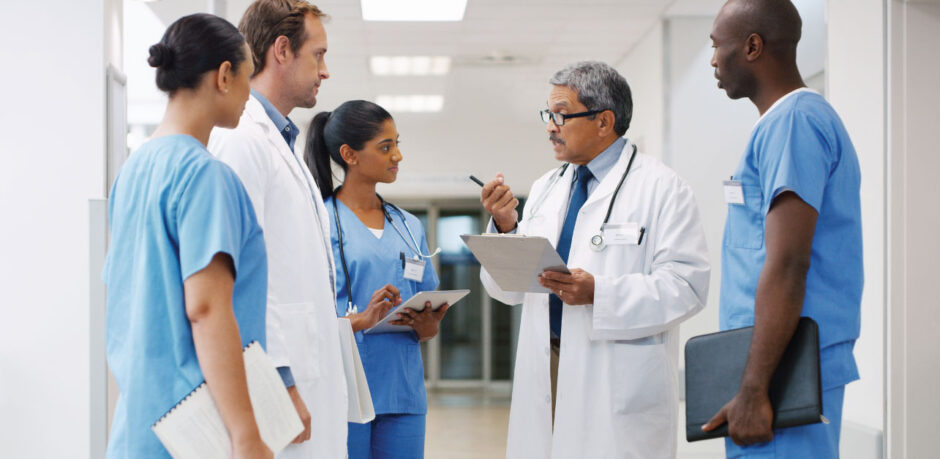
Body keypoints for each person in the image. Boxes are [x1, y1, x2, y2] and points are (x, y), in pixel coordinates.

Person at [478, 61, 711, 459]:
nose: (550, 126)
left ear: (604, 121)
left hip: (614, 373)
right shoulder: (547, 187)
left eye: (561, 115)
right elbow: (510, 291)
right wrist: (505, 229)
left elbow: (687, 286)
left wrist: (599, 293)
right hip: (546, 360)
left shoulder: (662, 188)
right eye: (548, 115)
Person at [104, 14, 272, 459]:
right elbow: (206, 308)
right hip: (196, 428)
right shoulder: (204, 176)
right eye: (248, 75)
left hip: (139, 422)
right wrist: (245, 434)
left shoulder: (133, 171)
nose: (249, 92)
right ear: (223, 76)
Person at [701, 1, 863, 457]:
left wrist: (755, 389)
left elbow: (789, 262)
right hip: (776, 368)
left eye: (718, 46)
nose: (713, 59)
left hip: (783, 376)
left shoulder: (795, 121)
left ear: (753, 46)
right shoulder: (784, 124)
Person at [208, 1, 349, 456]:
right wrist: (279, 382)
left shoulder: (283, 143)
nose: (325, 71)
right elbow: (239, 275)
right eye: (319, 55)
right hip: (278, 383)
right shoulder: (241, 140)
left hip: (306, 373)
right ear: (282, 50)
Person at [305, 100, 449, 459]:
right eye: (386, 147)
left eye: (397, 144)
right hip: (347, 389)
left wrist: (428, 323)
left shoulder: (408, 225)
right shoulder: (319, 223)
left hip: (403, 391)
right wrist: (360, 320)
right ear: (349, 155)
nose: (397, 155)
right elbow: (305, 317)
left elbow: (427, 315)